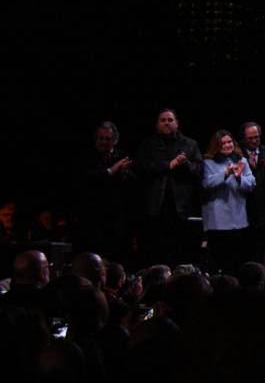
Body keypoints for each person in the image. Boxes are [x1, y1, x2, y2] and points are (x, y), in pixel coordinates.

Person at [133, 108, 203, 266]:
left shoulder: (190, 144)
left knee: (181, 250)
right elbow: (140, 167)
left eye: (170, 120)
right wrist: (168, 165)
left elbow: (199, 170)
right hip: (155, 206)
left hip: (182, 208)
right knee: (155, 251)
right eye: (163, 120)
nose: (166, 123)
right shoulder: (148, 144)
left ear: (177, 123)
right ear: (157, 124)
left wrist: (185, 164)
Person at [73, 120, 134, 261]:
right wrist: (110, 171)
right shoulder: (86, 156)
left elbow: (132, 184)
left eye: (108, 139)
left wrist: (125, 173)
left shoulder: (123, 156)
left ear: (115, 140)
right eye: (101, 138)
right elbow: (85, 179)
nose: (103, 142)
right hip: (92, 217)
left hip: (116, 218)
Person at [199, 130, 256, 274]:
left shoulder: (241, 160)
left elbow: (252, 183)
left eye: (229, 142)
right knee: (219, 260)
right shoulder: (207, 162)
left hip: (238, 218)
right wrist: (225, 173)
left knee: (237, 260)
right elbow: (206, 183)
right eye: (223, 143)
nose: (227, 145)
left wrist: (238, 178)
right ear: (216, 146)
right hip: (218, 221)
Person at [241, 121, 265, 266]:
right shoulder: (238, 154)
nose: (254, 141)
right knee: (248, 249)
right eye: (250, 138)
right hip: (245, 209)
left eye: (256, 137)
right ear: (243, 139)